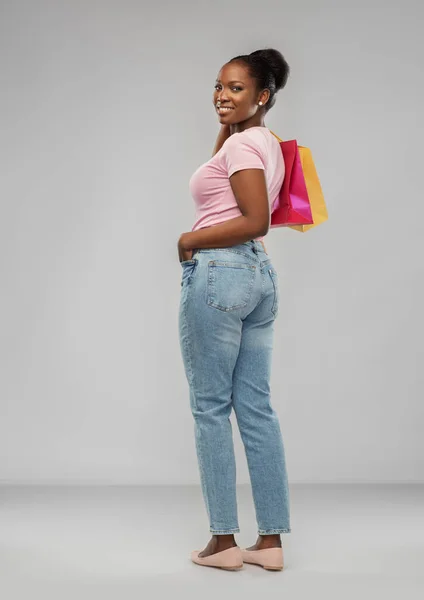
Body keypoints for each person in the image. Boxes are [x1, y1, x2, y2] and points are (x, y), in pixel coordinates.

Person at [178, 48, 291, 571]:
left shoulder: (244, 146)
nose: (222, 96)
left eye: (236, 88)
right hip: (259, 278)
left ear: (262, 95)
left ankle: (223, 543)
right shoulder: (264, 142)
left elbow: (254, 220)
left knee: (209, 409)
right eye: (218, 87)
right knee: (256, 409)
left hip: (222, 272)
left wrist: (188, 237)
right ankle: (269, 543)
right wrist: (233, 129)